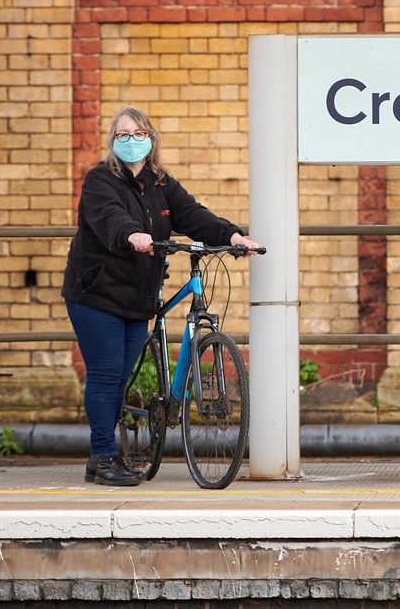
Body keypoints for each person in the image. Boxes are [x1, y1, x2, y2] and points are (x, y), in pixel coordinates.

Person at [62, 106, 260, 486]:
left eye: (138, 134)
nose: (131, 141)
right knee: (106, 375)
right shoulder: (100, 180)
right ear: (112, 141)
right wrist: (132, 235)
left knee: (120, 376)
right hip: (96, 295)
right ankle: (103, 458)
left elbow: (193, 215)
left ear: (151, 139)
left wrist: (234, 237)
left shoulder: (161, 183)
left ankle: (98, 457)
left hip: (138, 298)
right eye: (123, 135)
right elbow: (110, 218)